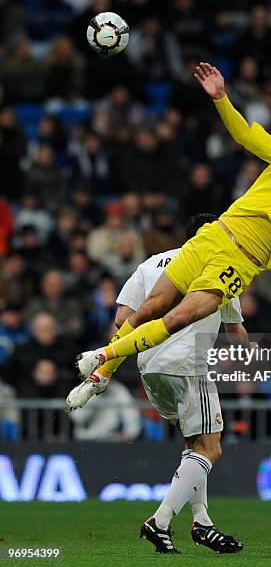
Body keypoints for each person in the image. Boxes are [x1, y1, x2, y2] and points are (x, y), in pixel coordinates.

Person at [71, 61, 271, 383]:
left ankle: (102, 356)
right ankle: (100, 376)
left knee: (179, 316)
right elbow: (243, 135)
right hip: (215, 234)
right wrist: (220, 98)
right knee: (150, 309)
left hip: (240, 263)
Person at [67, 214, 247, 554]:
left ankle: (202, 522)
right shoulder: (222, 264)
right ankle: (160, 521)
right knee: (211, 448)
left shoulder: (151, 264)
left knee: (195, 445)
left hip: (149, 366)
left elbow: (122, 319)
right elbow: (236, 333)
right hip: (188, 365)